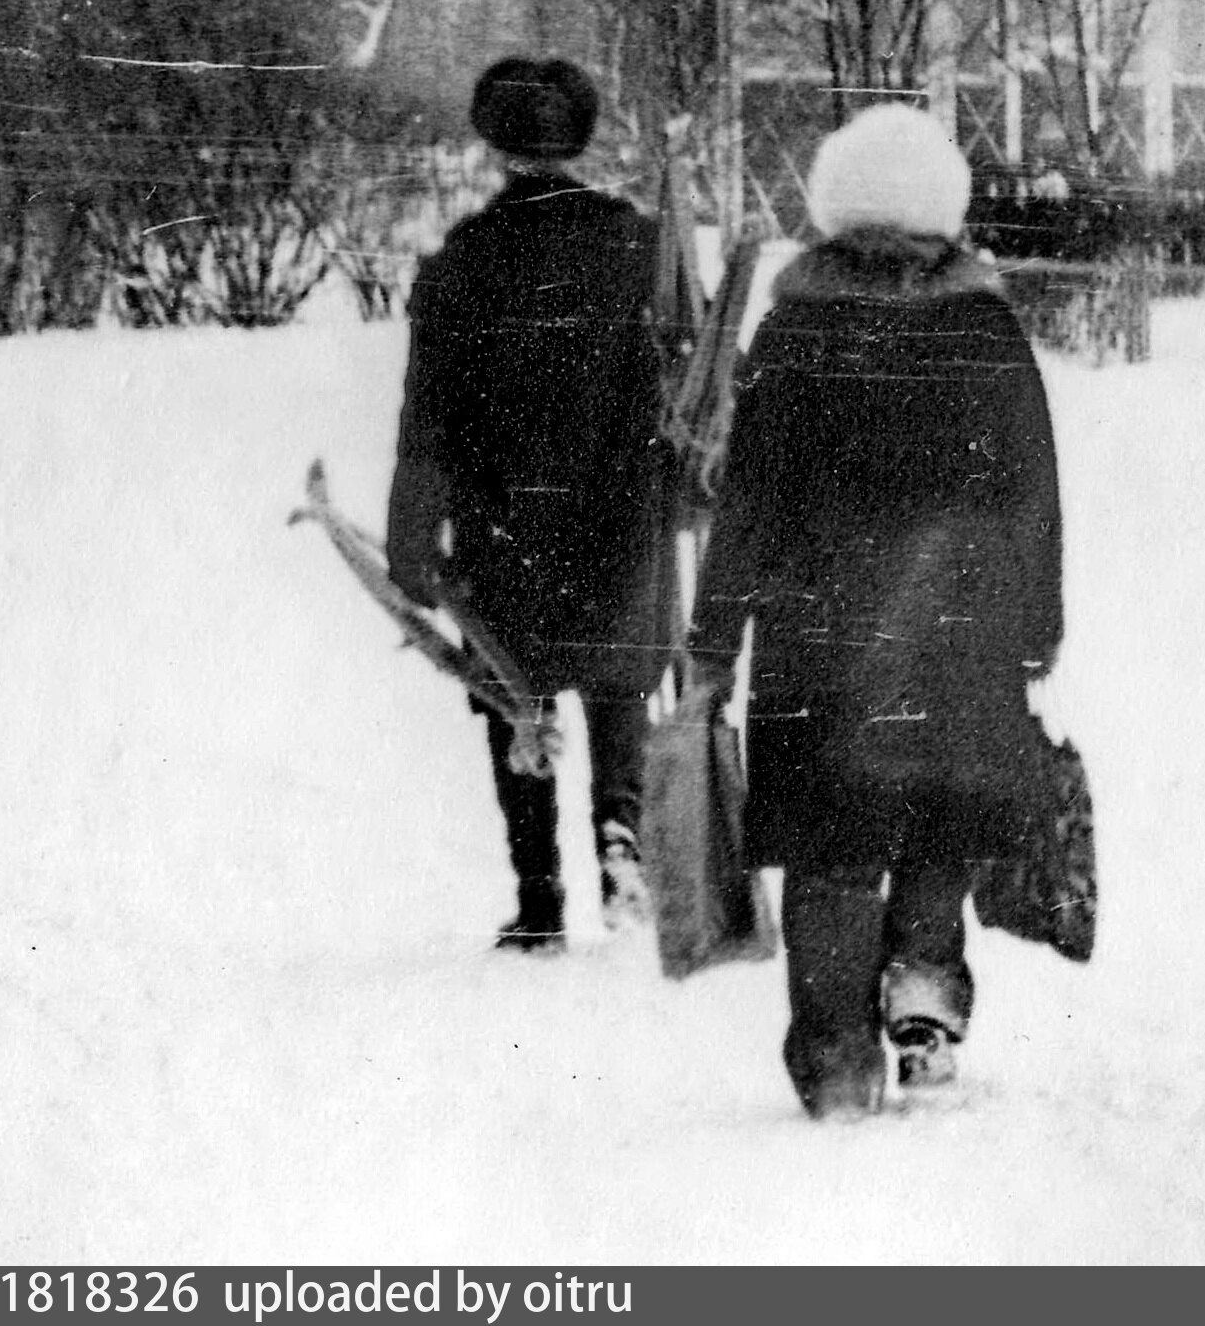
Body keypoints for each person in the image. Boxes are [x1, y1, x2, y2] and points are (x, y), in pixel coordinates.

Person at [687, 101, 1062, 1118]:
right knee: (940, 816)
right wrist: (1037, 620)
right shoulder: (985, 327)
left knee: (833, 846)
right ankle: (926, 992)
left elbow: (750, 500)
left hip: (822, 639)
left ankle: (836, 1057)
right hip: (959, 629)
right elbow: (1033, 490)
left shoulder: (795, 328)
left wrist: (714, 634)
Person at [386, 55, 677, 952]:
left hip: (504, 519)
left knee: (514, 686)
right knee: (619, 683)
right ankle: (622, 837)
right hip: (620, 511)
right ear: (579, 141)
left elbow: (427, 417)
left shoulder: (462, 260)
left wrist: (410, 538)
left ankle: (540, 900)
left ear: (496, 145)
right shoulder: (642, 245)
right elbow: (687, 378)